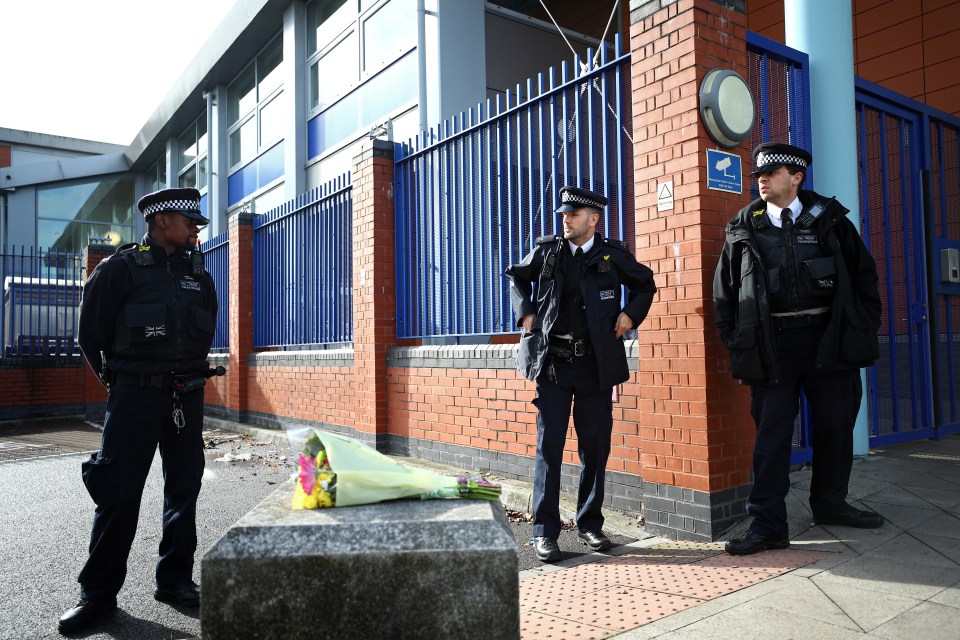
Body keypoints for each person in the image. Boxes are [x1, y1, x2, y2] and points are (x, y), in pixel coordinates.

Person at [59, 187, 219, 633]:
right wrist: (120, 384)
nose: (195, 230)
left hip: (186, 396)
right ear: (161, 221)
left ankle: (174, 581)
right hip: (134, 397)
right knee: (118, 494)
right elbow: (90, 336)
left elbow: (205, 331)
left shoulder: (199, 276)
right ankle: (97, 596)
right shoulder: (120, 270)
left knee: (183, 490)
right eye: (189, 222)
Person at [713, 143, 884, 556]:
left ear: (797, 177)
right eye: (758, 175)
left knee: (835, 427)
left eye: (772, 173)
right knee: (771, 438)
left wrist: (861, 326)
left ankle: (830, 504)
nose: (762, 180)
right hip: (773, 346)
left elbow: (864, 278)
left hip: (829, 340)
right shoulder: (744, 226)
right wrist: (738, 340)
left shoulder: (830, 220)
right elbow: (725, 294)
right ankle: (768, 524)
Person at [505, 185, 656, 562]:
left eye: (572, 214)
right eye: (563, 214)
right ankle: (545, 532)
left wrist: (630, 314)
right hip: (554, 365)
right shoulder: (547, 251)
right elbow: (515, 276)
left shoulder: (612, 255)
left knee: (595, 446)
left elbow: (645, 283)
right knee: (549, 448)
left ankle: (589, 523)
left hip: (594, 365)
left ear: (594, 219)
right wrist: (526, 313)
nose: (565, 219)